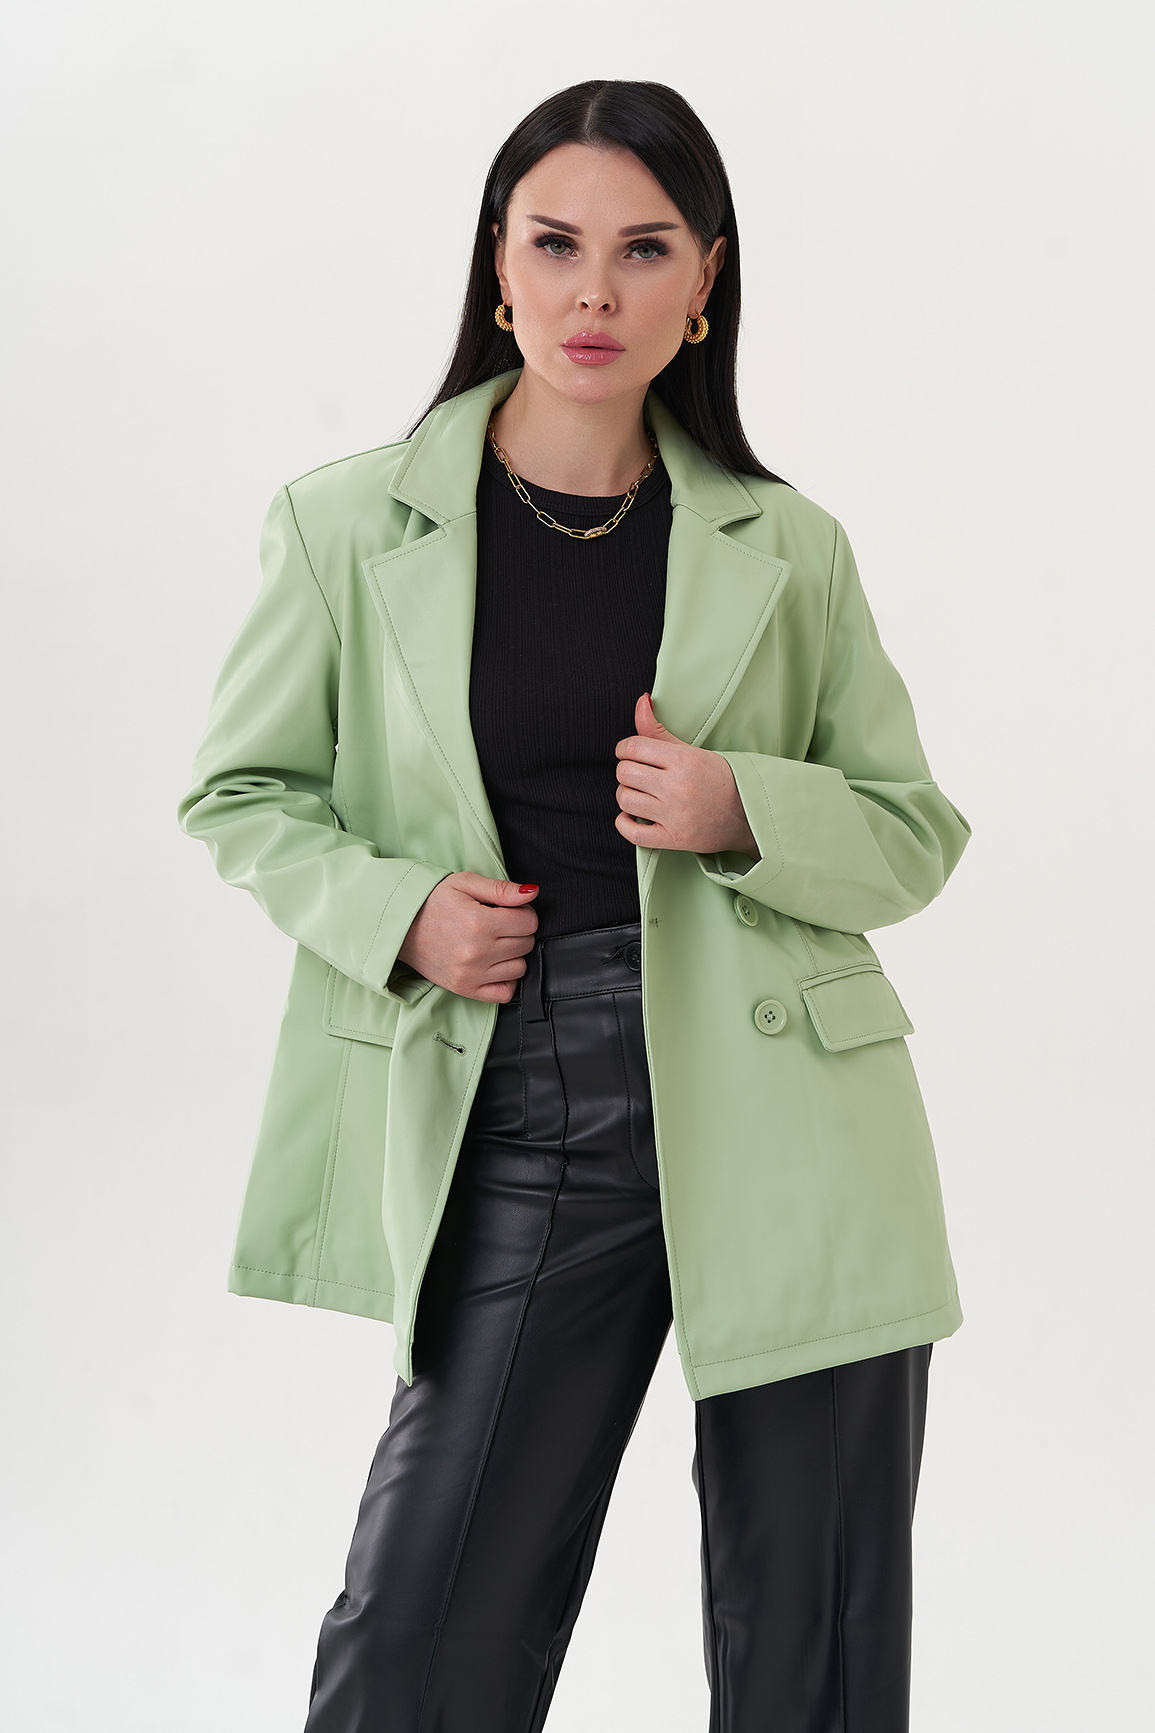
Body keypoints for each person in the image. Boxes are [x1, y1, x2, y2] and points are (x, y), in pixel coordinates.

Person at [178, 78, 970, 1733]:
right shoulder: (346, 523)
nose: (594, 291)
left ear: (705, 282)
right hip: (524, 1102)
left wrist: (742, 808)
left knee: (815, 1654)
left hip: (795, 1109)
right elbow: (241, 794)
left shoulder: (791, 545)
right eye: (555, 244)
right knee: (419, 1642)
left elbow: (913, 833)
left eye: (644, 249)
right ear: (498, 265)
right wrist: (402, 910)